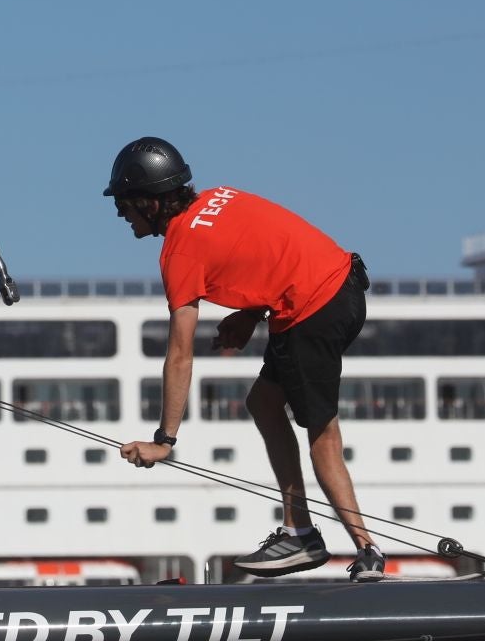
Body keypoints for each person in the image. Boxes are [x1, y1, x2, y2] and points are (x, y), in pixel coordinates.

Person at [108, 137, 385, 582]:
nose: (121, 214)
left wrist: (165, 441)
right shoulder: (220, 196)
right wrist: (251, 314)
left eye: (123, 204)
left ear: (149, 202)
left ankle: (356, 548)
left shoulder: (178, 252)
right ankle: (304, 533)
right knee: (264, 402)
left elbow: (180, 354)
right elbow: (269, 250)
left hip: (310, 309)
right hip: (343, 284)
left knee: (322, 432)